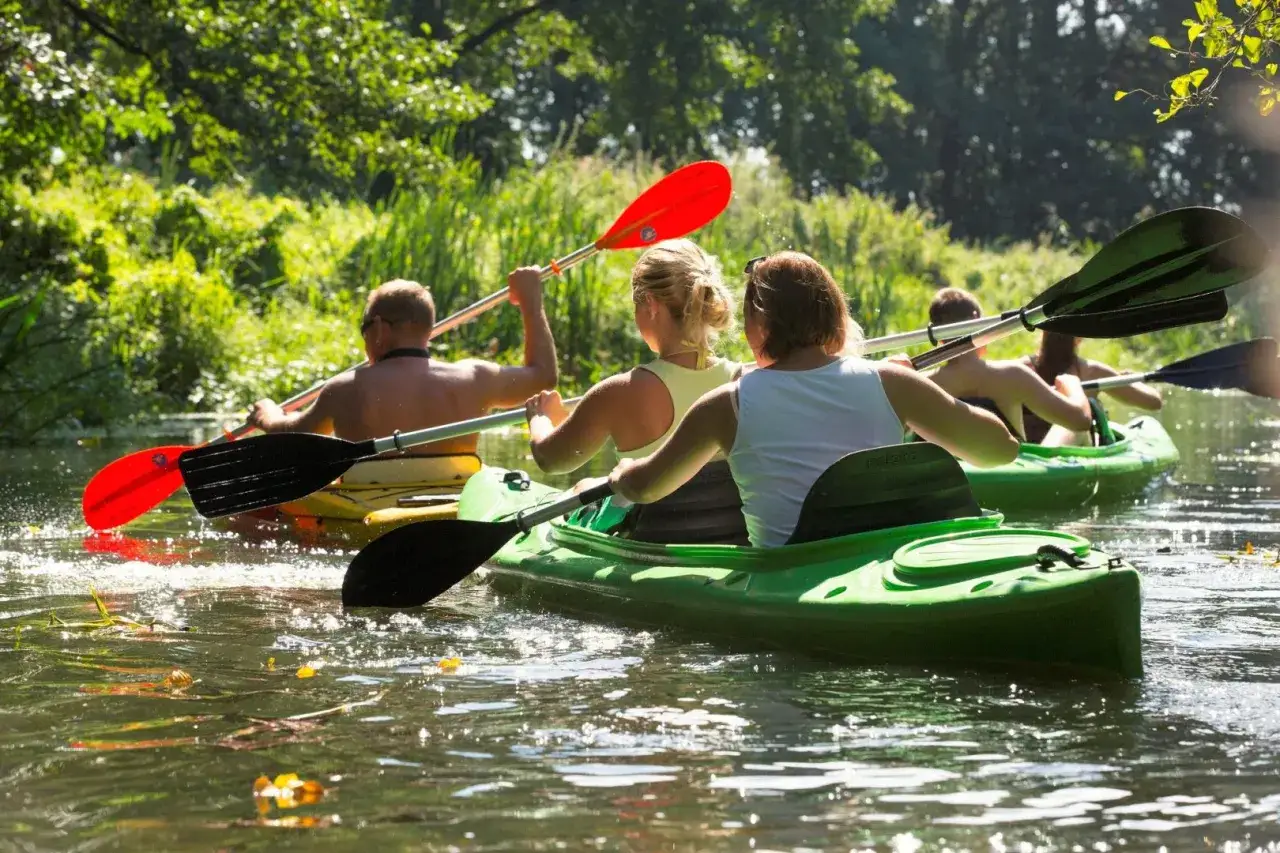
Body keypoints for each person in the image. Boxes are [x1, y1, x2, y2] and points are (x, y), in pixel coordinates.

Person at [577, 252, 1019, 548]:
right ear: (834, 317)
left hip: (791, 573)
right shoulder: (891, 382)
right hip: (883, 562)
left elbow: (648, 487)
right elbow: (1001, 450)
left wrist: (623, 472)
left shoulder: (724, 405)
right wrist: (915, 391)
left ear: (756, 328)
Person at [246, 273, 556, 481]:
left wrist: (268, 416)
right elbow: (544, 377)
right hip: (452, 503)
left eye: (364, 330)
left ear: (379, 328)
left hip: (369, 508)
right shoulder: (475, 377)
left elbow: (296, 436)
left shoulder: (343, 389)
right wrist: (531, 302)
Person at [524, 239, 739, 473]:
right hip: (726, 510)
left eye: (636, 306)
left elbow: (550, 459)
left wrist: (541, 417)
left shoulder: (619, 393)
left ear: (650, 304)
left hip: (652, 510)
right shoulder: (742, 382)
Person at [921, 288, 1093, 446]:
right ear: (976, 320)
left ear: (936, 334)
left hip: (951, 473)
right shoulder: (1012, 375)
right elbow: (1081, 421)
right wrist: (1073, 385)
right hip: (1011, 474)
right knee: (1076, 430)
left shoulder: (922, 384)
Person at [1021, 331, 1163, 445]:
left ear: (1043, 333)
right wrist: (1136, 381)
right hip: (1066, 458)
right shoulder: (1092, 372)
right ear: (1079, 337)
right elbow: (1154, 401)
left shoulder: (1020, 369)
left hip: (1029, 456)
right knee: (1074, 422)